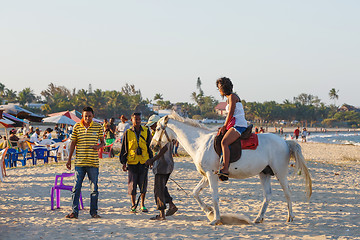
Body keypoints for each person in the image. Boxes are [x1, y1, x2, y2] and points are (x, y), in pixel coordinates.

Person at [65, 106, 105, 219]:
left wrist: (97, 147)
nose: (87, 118)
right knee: (76, 188)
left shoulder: (98, 127)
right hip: (79, 163)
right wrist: (69, 159)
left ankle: (94, 212)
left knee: (94, 189)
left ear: (93, 116)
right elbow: (73, 143)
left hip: (93, 163)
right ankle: (74, 212)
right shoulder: (77, 126)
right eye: (85, 116)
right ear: (82, 116)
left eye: (89, 116)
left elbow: (103, 143)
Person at [145, 115, 178, 220]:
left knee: (158, 189)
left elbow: (163, 150)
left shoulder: (163, 134)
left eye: (152, 125)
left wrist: (152, 160)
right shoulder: (163, 133)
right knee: (162, 187)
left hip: (162, 165)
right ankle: (171, 205)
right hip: (166, 164)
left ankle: (161, 214)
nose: (151, 128)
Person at [119, 112, 153, 213]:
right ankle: (133, 205)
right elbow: (124, 148)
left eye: (139, 119)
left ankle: (142, 204)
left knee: (143, 184)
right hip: (132, 162)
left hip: (144, 161)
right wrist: (123, 162)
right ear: (131, 120)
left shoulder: (146, 131)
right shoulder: (128, 132)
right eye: (135, 119)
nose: (137, 121)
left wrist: (151, 160)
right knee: (132, 184)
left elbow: (149, 146)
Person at [216, 77, 248, 179]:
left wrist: (225, 126)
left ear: (222, 89)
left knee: (224, 142)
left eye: (219, 88)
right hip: (234, 124)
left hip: (239, 125)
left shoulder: (232, 97)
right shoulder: (230, 98)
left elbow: (231, 112)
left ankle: (225, 168)